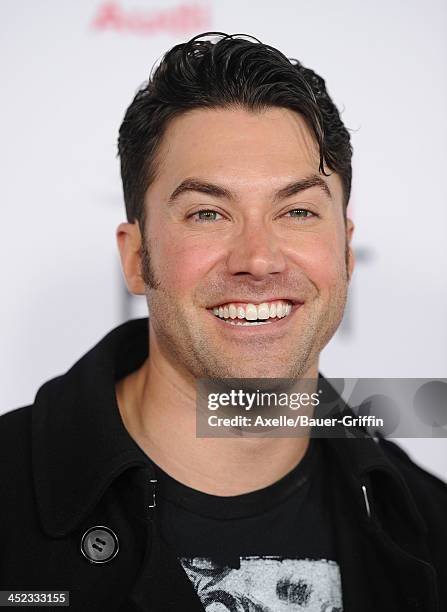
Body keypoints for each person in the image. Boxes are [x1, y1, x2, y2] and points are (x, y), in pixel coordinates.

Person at [0, 32, 446, 612]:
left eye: (298, 212)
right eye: (208, 213)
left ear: (345, 251)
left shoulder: (430, 527)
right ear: (137, 258)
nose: (257, 259)